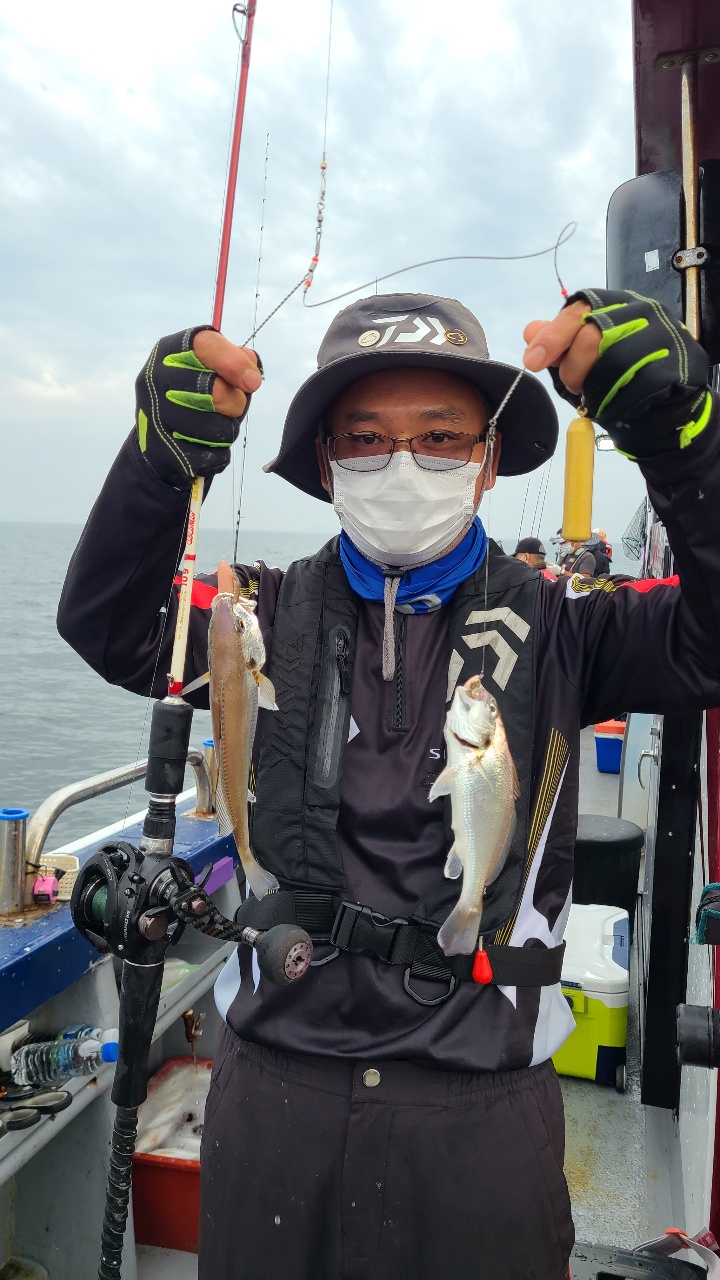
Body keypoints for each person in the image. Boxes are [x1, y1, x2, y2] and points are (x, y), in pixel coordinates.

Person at [57, 288, 720, 1280]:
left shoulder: (570, 623)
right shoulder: (253, 616)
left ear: (489, 460)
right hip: (274, 1100)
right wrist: (157, 465)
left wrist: (683, 440)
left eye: (441, 437)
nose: (402, 464)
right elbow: (108, 622)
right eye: (366, 439)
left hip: (483, 1115)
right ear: (327, 465)